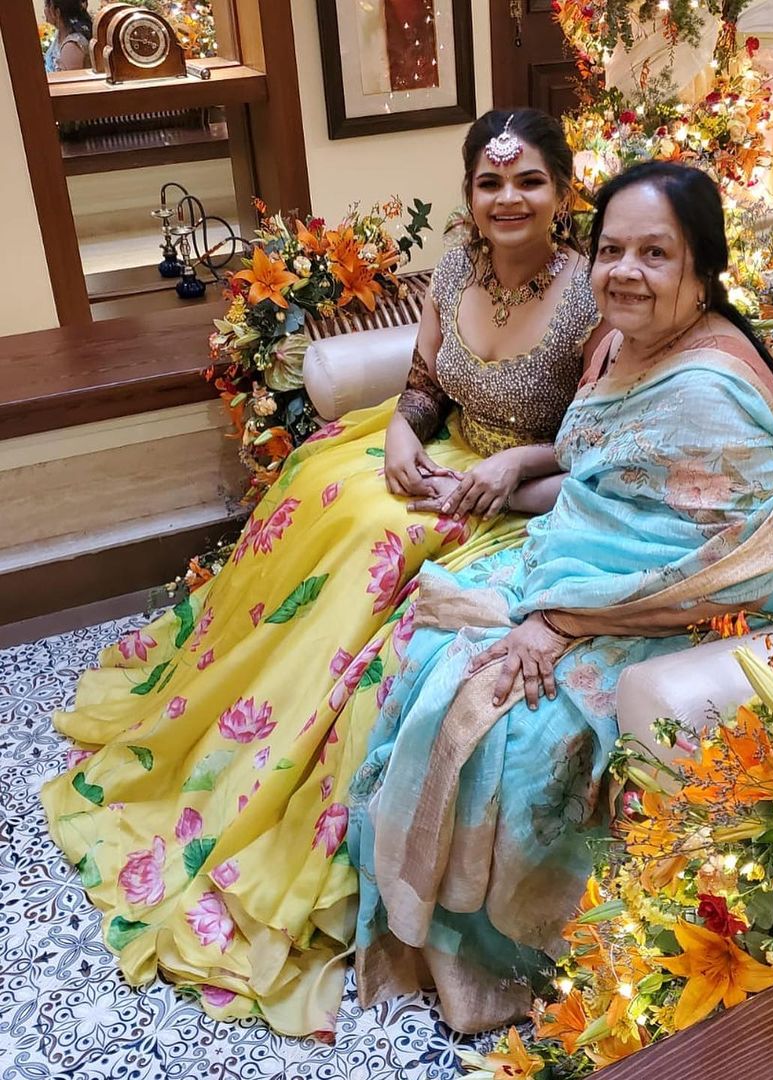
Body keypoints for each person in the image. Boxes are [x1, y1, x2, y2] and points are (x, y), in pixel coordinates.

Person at [40, 108, 603, 1038]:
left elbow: (590, 439)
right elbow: (425, 387)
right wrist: (392, 431)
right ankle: (224, 717)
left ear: (563, 192)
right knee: (329, 503)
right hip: (441, 459)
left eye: (529, 181)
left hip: (512, 497)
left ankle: (301, 789)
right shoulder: (454, 271)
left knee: (379, 565)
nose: (509, 198)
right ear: (468, 195)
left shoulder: (590, 296)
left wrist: (513, 467)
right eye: (490, 183)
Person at [347, 160, 773, 1033]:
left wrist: (560, 621)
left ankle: (508, 958)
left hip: (675, 610)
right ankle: (412, 902)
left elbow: (724, 560)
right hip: (578, 561)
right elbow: (600, 474)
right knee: (430, 631)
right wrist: (514, 474)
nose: (626, 271)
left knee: (509, 726)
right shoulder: (619, 341)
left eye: (655, 254)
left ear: (702, 270)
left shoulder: (710, 388)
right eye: (613, 250)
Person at [44, 0, 91, 72]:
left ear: (57, 12)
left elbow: (72, 81)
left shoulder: (72, 46)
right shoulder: (60, 33)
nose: (44, 10)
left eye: (46, 5)